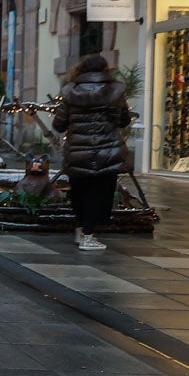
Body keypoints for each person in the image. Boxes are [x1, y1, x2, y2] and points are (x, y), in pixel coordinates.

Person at [53, 54, 132, 251]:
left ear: (81, 69)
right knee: (100, 194)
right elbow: (124, 120)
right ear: (106, 69)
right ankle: (89, 236)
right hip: (107, 151)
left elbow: (59, 124)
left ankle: (81, 232)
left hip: (77, 151)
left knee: (79, 192)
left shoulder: (71, 92)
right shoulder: (115, 91)